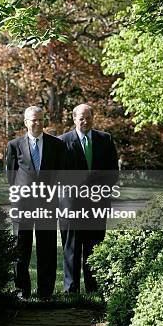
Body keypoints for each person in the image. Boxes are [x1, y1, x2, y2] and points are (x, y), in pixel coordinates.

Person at [6, 106, 65, 300]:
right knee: (20, 247)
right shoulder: (14, 145)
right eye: (33, 120)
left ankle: (45, 292)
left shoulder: (56, 145)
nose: (37, 123)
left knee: (47, 248)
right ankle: (22, 291)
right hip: (22, 204)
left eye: (40, 119)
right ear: (25, 122)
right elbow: (10, 175)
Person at [59, 103, 118, 293]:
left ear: (93, 117)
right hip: (71, 204)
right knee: (72, 248)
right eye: (81, 118)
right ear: (74, 119)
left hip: (97, 203)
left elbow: (112, 173)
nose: (85, 121)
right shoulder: (62, 142)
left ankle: (93, 289)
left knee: (94, 247)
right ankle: (71, 289)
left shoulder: (105, 139)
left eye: (88, 117)